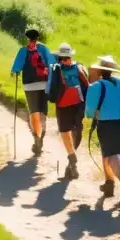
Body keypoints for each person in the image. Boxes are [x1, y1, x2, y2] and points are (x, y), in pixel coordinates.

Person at [85, 55, 120, 207]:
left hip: (106, 124)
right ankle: (109, 184)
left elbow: (88, 112)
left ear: (100, 70)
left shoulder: (96, 87)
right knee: (109, 152)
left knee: (112, 154)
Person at [47, 43, 91, 180]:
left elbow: (50, 89)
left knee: (66, 132)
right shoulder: (78, 67)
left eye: (66, 58)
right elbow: (88, 86)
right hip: (77, 104)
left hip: (65, 105)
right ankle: (71, 162)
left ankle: (72, 159)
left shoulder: (56, 69)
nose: (66, 60)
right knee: (74, 132)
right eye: (65, 58)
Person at [10, 28, 55, 156]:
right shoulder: (44, 49)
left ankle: (36, 137)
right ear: (38, 38)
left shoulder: (23, 50)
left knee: (33, 112)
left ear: (27, 38)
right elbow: (52, 64)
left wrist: (15, 71)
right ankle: (42, 135)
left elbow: (16, 67)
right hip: (44, 84)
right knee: (43, 111)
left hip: (29, 85)